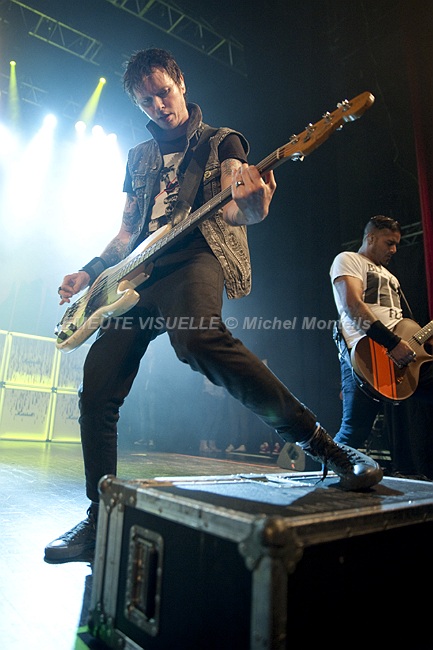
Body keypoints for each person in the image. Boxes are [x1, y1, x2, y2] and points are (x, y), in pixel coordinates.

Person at [44, 48, 382, 563]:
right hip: (136, 273)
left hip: (194, 254)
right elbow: (127, 231)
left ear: (180, 83)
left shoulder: (223, 141)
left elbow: (237, 206)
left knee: (198, 339)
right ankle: (99, 515)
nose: (159, 105)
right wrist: (90, 271)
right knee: (97, 385)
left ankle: (326, 447)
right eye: (146, 101)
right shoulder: (138, 158)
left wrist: (254, 204)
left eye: (164, 92)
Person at [330, 215, 433, 453]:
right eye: (389, 243)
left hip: (402, 357)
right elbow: (353, 306)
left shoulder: (391, 277)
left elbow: (404, 324)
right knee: (353, 432)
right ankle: (327, 472)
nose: (394, 250)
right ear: (371, 238)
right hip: (366, 354)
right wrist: (392, 343)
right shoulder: (349, 259)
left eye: (396, 244)